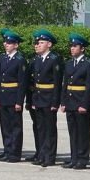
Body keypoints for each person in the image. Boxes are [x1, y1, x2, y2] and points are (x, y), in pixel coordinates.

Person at [27, 30, 62, 166]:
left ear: (49, 44)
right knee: (40, 128)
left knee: (49, 129)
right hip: (39, 98)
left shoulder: (54, 59)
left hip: (49, 99)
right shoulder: (36, 60)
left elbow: (57, 83)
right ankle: (41, 154)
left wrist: (55, 102)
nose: (38, 45)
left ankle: (49, 156)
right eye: (38, 43)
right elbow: (35, 83)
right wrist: (34, 101)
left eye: (41, 43)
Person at [60, 32, 90, 169]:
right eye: (71, 46)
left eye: (75, 46)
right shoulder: (69, 64)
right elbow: (65, 84)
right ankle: (74, 157)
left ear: (82, 48)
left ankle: (82, 158)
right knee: (73, 131)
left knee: (82, 132)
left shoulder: (88, 64)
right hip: (70, 102)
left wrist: (85, 104)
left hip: (80, 102)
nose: (72, 48)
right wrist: (63, 102)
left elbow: (89, 86)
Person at [0, 29, 27, 163]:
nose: (6, 44)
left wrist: (19, 101)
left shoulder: (20, 60)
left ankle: (15, 153)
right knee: (5, 126)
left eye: (9, 42)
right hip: (3, 96)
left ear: (16, 45)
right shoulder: (2, 58)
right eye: (5, 42)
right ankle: (7, 150)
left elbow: (22, 83)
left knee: (15, 127)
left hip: (14, 97)